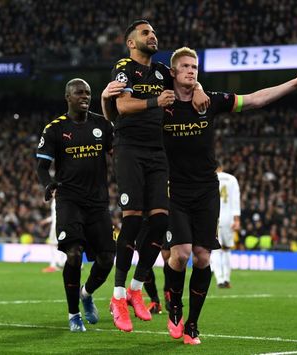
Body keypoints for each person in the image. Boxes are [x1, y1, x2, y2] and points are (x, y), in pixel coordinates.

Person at [159, 47, 297, 345]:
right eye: (184, 66)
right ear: (173, 72)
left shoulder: (210, 102)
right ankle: (175, 305)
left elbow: (255, 100)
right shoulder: (161, 104)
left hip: (206, 189)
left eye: (194, 67)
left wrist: (295, 83)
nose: (191, 70)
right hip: (175, 189)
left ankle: (192, 325)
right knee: (180, 255)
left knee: (203, 257)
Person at [102, 19, 209, 333]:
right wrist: (153, 101)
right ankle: (118, 296)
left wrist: (200, 87)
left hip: (157, 151)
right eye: (145, 32)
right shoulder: (125, 68)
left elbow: (185, 79)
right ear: (132, 42)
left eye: (154, 32)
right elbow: (121, 105)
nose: (153, 36)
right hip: (130, 148)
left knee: (161, 222)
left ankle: (136, 288)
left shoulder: (163, 71)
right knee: (133, 220)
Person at [35, 78, 116, 332]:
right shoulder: (54, 129)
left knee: (106, 258)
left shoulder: (102, 125)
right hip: (69, 200)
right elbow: (41, 166)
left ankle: (86, 293)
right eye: (79, 93)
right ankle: (73, 315)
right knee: (73, 254)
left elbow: (119, 155)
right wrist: (47, 184)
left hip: (98, 202)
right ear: (67, 97)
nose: (85, 96)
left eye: (88, 93)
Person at [211, 162, 241, 288]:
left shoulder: (210, 178)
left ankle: (220, 280)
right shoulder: (231, 179)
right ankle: (227, 279)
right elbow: (235, 199)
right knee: (227, 249)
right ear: (221, 167)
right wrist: (237, 219)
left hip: (214, 217)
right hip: (228, 218)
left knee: (216, 250)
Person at [40, 198, 67, 273]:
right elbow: (55, 214)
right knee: (61, 244)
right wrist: (46, 221)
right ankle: (62, 263)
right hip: (61, 225)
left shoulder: (57, 200)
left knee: (53, 245)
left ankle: (54, 265)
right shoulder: (63, 199)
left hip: (56, 226)